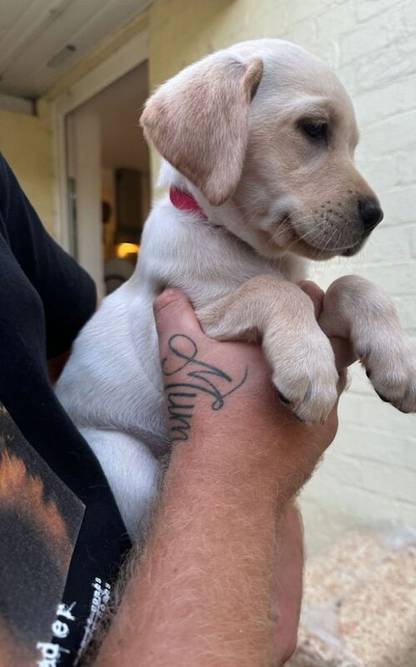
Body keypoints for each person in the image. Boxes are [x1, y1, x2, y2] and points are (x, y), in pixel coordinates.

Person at [0, 153, 352, 666]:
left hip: (171, 565)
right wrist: (241, 485)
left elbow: (70, 341)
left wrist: (254, 519)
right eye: (313, 134)